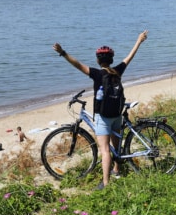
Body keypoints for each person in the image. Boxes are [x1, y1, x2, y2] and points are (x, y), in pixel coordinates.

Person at [53, 31, 148, 190]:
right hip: (117, 114)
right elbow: (129, 56)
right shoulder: (117, 70)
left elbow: (77, 64)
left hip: (103, 117)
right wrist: (139, 40)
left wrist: (63, 53)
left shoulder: (97, 74)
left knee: (105, 150)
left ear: (98, 60)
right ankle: (116, 169)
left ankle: (106, 183)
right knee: (115, 144)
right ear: (111, 60)